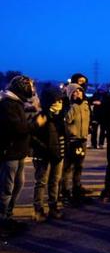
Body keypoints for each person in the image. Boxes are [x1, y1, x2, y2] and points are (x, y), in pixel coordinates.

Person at [0, 76, 46, 235]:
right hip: (10, 153)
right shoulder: (7, 104)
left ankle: (7, 216)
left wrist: (31, 110)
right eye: (29, 86)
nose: (32, 89)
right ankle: (2, 218)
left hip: (19, 152)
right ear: (21, 88)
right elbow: (18, 128)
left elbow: (21, 119)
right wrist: (36, 124)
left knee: (17, 186)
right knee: (7, 188)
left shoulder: (17, 103)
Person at [31, 87, 66, 221]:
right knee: (41, 182)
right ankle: (38, 210)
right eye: (56, 101)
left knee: (55, 182)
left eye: (60, 101)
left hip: (58, 154)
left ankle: (53, 207)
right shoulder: (42, 117)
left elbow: (63, 135)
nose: (59, 104)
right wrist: (44, 147)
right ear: (49, 102)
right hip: (43, 155)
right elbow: (32, 137)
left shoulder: (60, 117)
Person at [62, 83, 91, 205]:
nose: (77, 93)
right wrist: (73, 106)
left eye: (79, 91)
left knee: (79, 167)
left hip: (82, 140)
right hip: (72, 141)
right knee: (68, 168)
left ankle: (76, 190)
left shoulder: (85, 105)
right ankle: (65, 191)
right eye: (74, 91)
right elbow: (66, 120)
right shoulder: (70, 106)